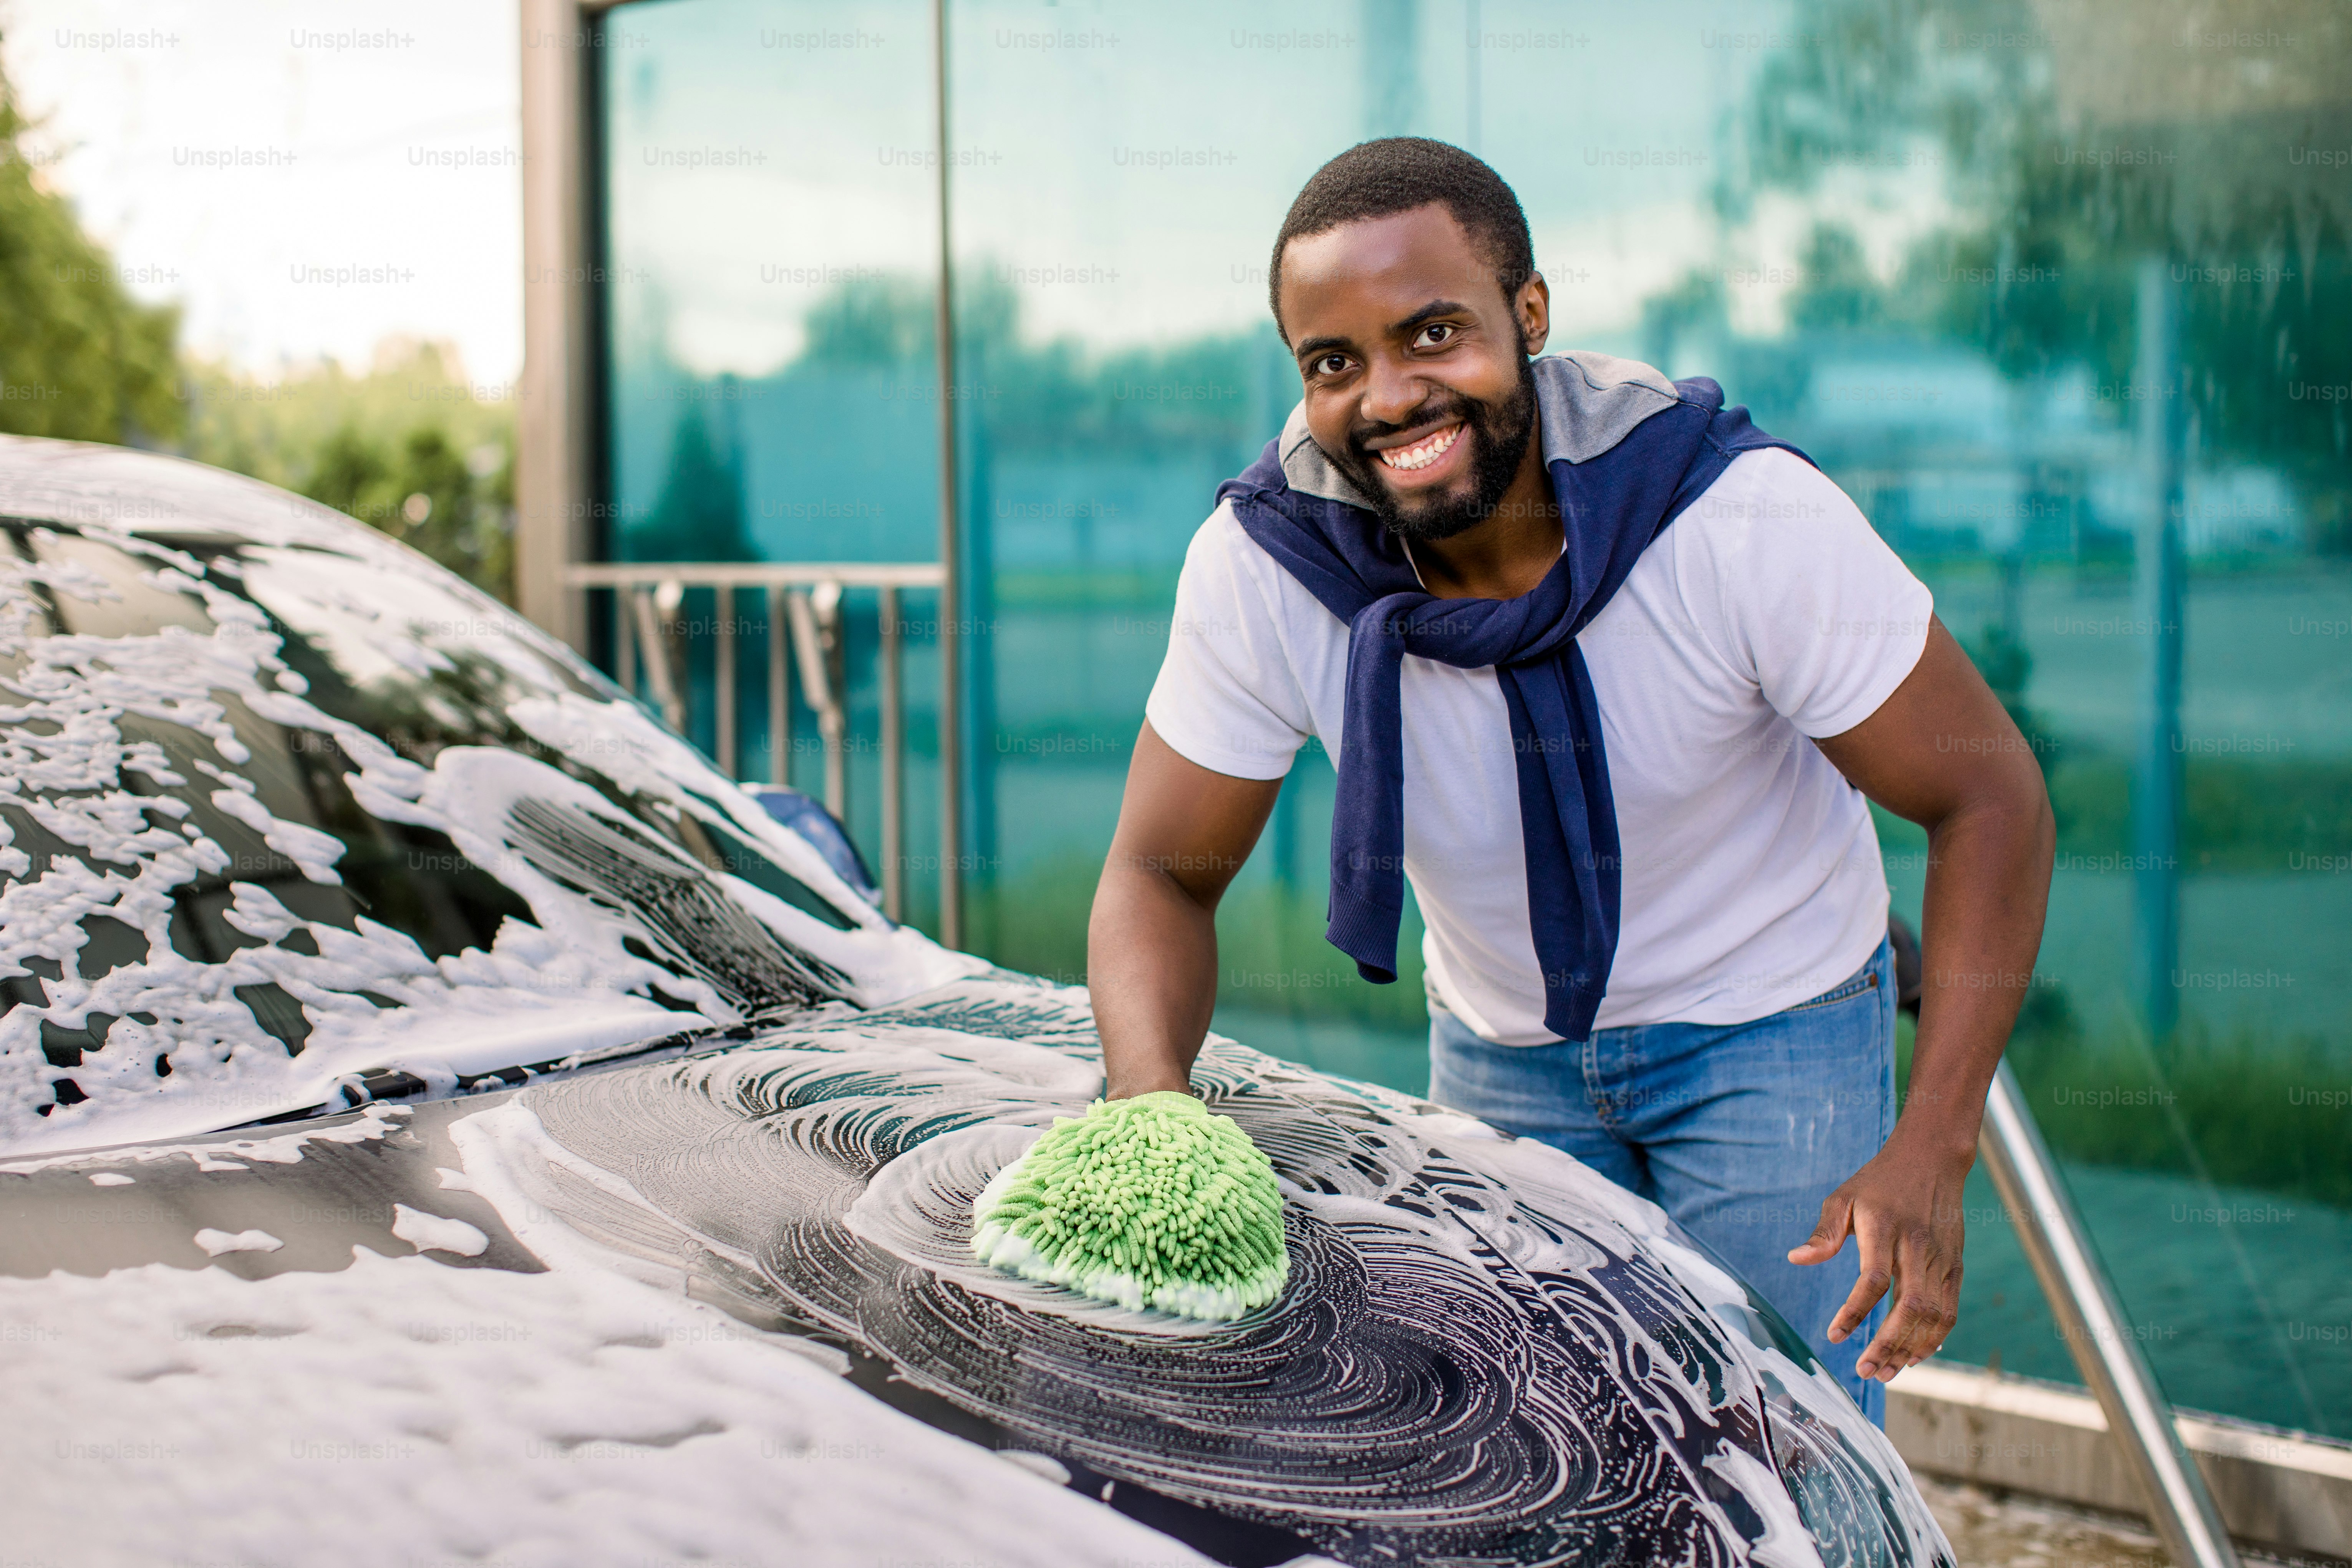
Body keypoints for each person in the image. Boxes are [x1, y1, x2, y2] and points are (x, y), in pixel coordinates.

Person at [1084, 138, 2054, 1422]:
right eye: (1334, 362)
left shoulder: (1731, 515)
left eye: (1433, 333)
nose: (1387, 397)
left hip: (1771, 1023)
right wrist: (1155, 1111)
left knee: (1788, 1452)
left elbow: (1989, 800)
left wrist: (1933, 1144)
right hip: (1502, 1046)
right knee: (1535, 1447)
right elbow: (1158, 871)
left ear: (1528, 315)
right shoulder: (1271, 563)